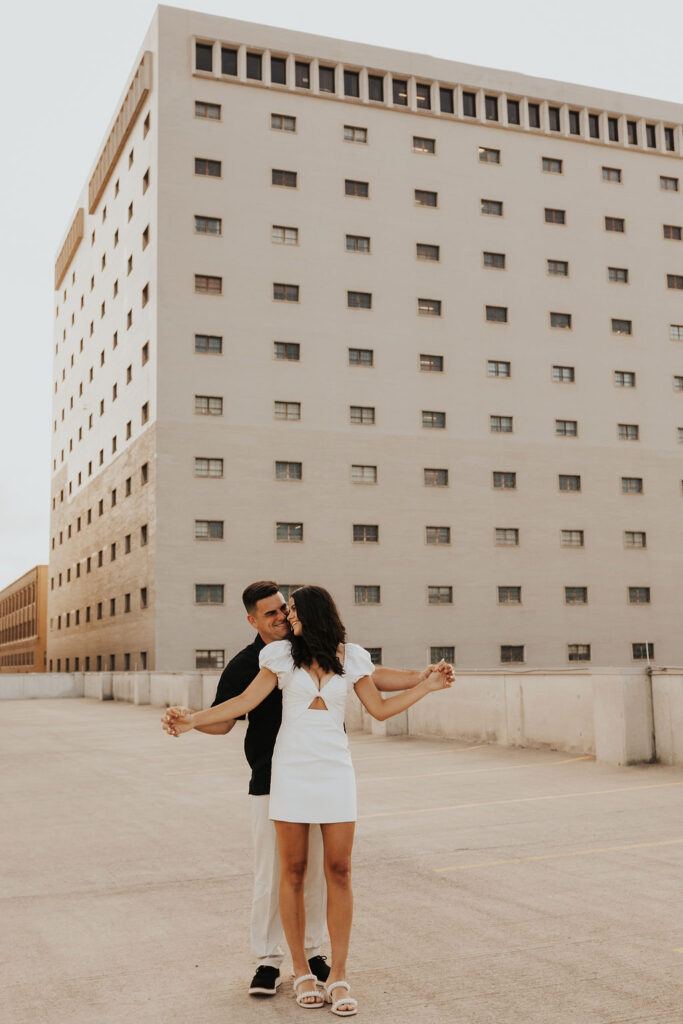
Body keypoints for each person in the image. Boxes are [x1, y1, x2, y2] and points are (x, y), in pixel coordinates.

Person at [164, 584, 452, 1015]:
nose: (286, 617)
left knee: (339, 870)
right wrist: (190, 721)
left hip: (336, 771)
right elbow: (243, 701)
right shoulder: (276, 657)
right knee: (292, 871)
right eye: (281, 611)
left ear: (313, 613)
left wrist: (426, 686)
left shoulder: (350, 656)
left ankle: (337, 974)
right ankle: (299, 970)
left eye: (292, 609)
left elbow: (379, 708)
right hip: (290, 772)